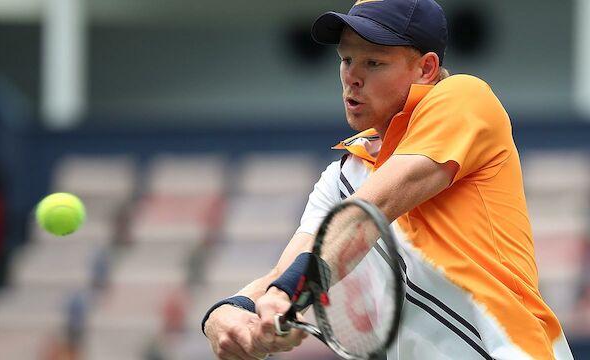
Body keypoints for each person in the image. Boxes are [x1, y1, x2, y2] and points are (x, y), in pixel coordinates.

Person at [201, 0, 574, 359]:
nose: (352, 77)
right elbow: (287, 270)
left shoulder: (465, 98)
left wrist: (287, 294)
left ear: (426, 69)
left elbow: (370, 211)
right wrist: (230, 313)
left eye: (373, 62)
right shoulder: (343, 176)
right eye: (346, 60)